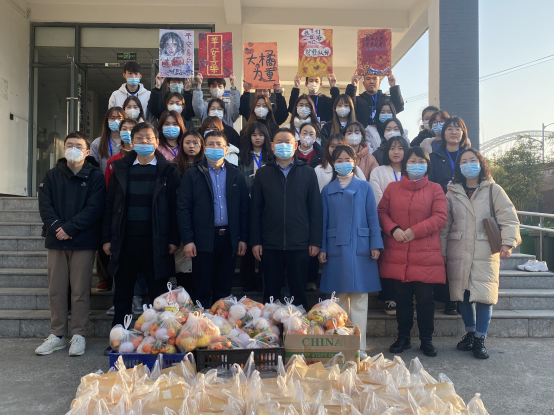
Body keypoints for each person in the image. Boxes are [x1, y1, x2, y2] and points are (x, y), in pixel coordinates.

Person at [441, 149, 520, 359]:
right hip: (458, 250)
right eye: (463, 161)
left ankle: (480, 338)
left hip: (485, 250)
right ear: (458, 167)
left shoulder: (493, 189)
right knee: (463, 295)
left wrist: (508, 243)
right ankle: (470, 333)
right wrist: (442, 251)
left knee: (485, 297)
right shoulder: (452, 192)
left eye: (473, 160)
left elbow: (509, 218)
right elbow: (445, 226)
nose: (468, 165)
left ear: (480, 163)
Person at [103, 122, 181, 331]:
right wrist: (106, 238)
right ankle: (119, 335)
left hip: (156, 240)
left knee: (158, 294)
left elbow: (176, 208)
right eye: (139, 138)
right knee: (123, 293)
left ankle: (159, 336)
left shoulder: (168, 171)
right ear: (132, 141)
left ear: (156, 142)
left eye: (148, 138)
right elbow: (109, 205)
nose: (144, 142)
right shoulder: (120, 169)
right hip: (125, 240)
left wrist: (174, 239)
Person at [36, 132, 106, 356]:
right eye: (69, 145)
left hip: (83, 241)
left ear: (87, 151)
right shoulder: (51, 175)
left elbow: (94, 208)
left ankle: (78, 334)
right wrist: (58, 227)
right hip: (56, 240)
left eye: (78, 146)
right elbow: (45, 205)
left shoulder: (95, 176)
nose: (73, 149)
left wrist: (70, 228)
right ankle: (57, 334)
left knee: (80, 290)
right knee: (56, 290)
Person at [378, 147, 447, 357]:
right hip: (398, 250)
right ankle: (403, 338)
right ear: (405, 164)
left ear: (427, 165)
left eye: (421, 161)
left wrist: (413, 231)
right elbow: (382, 212)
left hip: (425, 253)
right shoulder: (392, 188)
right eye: (413, 161)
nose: (417, 165)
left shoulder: (435, 189)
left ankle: (426, 340)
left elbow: (440, 217)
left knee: (425, 299)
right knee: (402, 298)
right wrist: (393, 229)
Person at [319, 145, 383, 355]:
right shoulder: (327, 190)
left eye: (347, 159)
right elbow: (323, 221)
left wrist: (375, 244)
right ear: (332, 163)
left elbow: (372, 217)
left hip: (360, 248)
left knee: (360, 300)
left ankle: (359, 346)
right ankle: (340, 345)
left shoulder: (364, 187)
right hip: (335, 249)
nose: (343, 163)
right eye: (339, 160)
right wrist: (322, 247)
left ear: (355, 162)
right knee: (337, 301)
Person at [250, 128, 323, 308]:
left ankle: (297, 324)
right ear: (272, 146)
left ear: (295, 145)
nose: (284, 146)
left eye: (288, 142)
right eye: (279, 142)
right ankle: (270, 325)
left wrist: (315, 241)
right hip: (270, 243)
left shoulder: (308, 173)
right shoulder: (263, 173)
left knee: (298, 294)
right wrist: (256, 241)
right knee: (271, 296)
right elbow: (256, 210)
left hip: (299, 243)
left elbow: (315, 209)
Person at [177, 131, 250, 307]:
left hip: (228, 239)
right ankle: (201, 322)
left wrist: (243, 238)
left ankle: (221, 323)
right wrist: (188, 240)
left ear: (226, 150)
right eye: (210, 144)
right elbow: (183, 209)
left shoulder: (236, 175)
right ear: (204, 148)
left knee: (223, 292)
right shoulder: (192, 174)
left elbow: (244, 210)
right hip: (202, 240)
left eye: (219, 144)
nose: (215, 147)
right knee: (201, 290)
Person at [369, 135, 410, 316]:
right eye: (392, 148)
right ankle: (389, 298)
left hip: (409, 227)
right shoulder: (378, 171)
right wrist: (393, 222)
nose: (396, 152)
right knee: (387, 262)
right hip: (385, 225)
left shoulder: (411, 170)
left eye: (400, 148)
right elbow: (378, 198)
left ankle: (406, 298)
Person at [238, 123, 274, 292]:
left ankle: (262, 278)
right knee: (247, 241)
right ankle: (248, 280)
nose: (258, 138)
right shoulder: (242, 156)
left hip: (266, 204)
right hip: (247, 203)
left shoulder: (271, 157)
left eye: (261, 135)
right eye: (254, 135)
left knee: (263, 243)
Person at [173, 131, 205, 294]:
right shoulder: (173, 167)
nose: (191, 146)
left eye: (195, 143)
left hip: (201, 222)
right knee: (183, 265)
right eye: (187, 142)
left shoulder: (207, 167)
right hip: (180, 221)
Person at [429, 116, 471, 194]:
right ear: (443, 133)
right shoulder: (434, 158)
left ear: (463, 133)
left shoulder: (471, 157)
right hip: (441, 199)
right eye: (450, 129)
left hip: (466, 199)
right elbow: (430, 185)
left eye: (457, 129)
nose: (454, 132)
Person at [90, 107, 126, 174]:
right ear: (107, 121)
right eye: (112, 118)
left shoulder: (131, 142)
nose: (116, 120)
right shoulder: (97, 143)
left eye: (119, 118)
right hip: (104, 179)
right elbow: (93, 167)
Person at [105, 118, 137, 187]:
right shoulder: (112, 160)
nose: (128, 132)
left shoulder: (142, 158)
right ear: (120, 133)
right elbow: (108, 185)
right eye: (124, 129)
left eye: (132, 129)